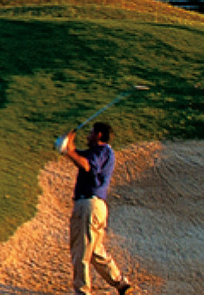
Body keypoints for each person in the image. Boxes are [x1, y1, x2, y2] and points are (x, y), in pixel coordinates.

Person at [60, 122, 135, 295]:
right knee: (95, 251)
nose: (87, 136)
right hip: (95, 207)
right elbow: (77, 156)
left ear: (99, 135)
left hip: (88, 206)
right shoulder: (99, 152)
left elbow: (86, 165)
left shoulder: (102, 152)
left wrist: (67, 150)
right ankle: (121, 283)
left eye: (91, 133)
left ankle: (82, 292)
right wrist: (68, 143)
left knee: (81, 252)